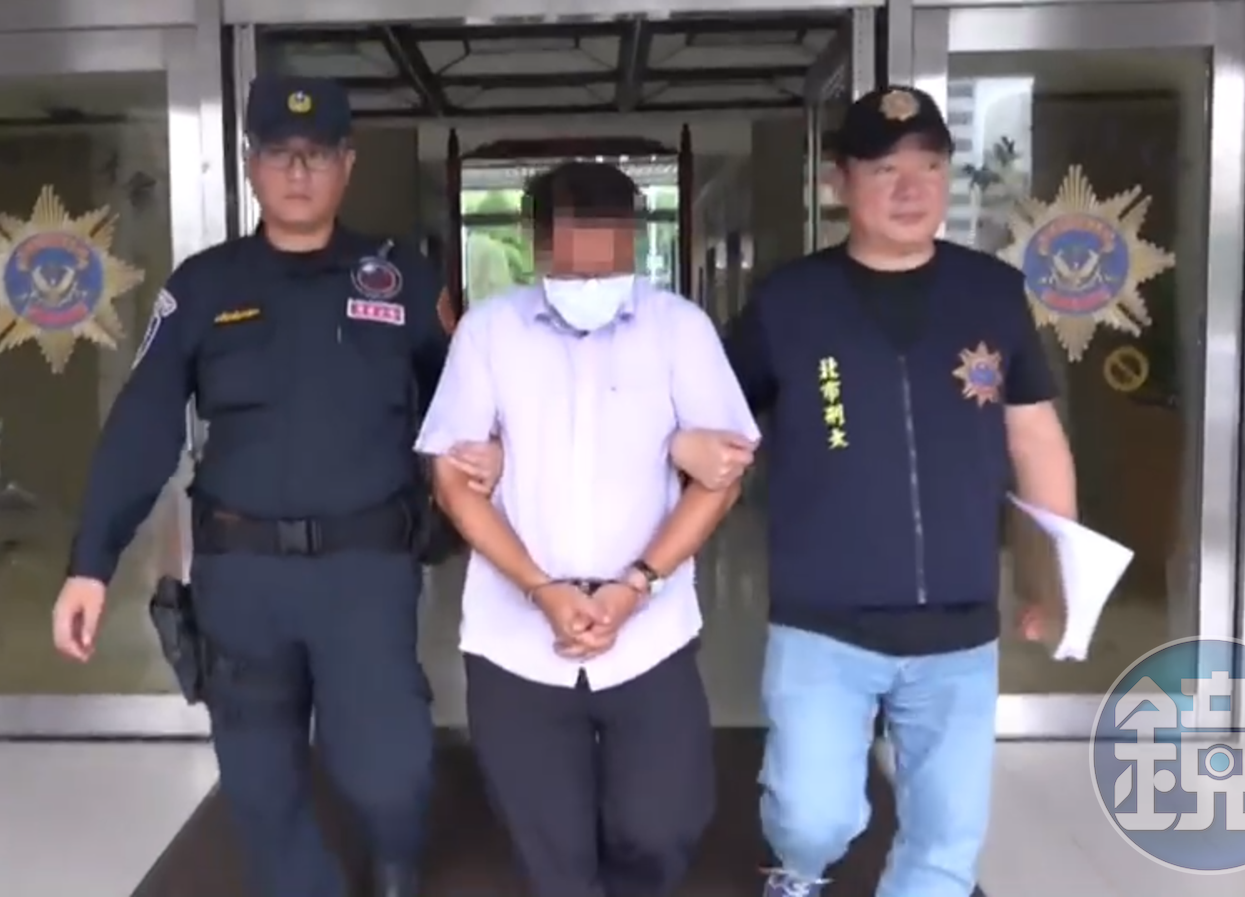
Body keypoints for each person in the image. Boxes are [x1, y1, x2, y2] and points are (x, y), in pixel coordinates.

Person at [50, 75, 496, 897]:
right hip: (243, 577)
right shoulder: (203, 287)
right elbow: (143, 425)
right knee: (259, 783)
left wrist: (487, 461)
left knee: (391, 769)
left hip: (366, 573)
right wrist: (90, 563)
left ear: (347, 165)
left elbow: (468, 400)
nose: (298, 171)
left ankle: (395, 860)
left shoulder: (399, 278)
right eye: (281, 153)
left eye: (318, 154)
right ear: (251, 164)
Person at [672, 85, 1077, 897]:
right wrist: (684, 444)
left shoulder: (991, 293)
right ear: (839, 182)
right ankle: (798, 871)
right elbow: (714, 414)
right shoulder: (790, 301)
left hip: (959, 624)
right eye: (885, 169)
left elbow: (1033, 435)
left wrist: (1057, 570)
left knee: (946, 838)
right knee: (811, 816)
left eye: (930, 167)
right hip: (824, 622)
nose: (911, 188)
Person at [416, 161, 760, 897]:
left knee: (664, 822)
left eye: (610, 266)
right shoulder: (488, 332)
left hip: (649, 632)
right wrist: (540, 589)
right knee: (551, 846)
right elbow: (451, 482)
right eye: (575, 270)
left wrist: (637, 585)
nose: (593, 284)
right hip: (517, 639)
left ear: (634, 243)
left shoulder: (680, 329)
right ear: (537, 246)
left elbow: (723, 478)